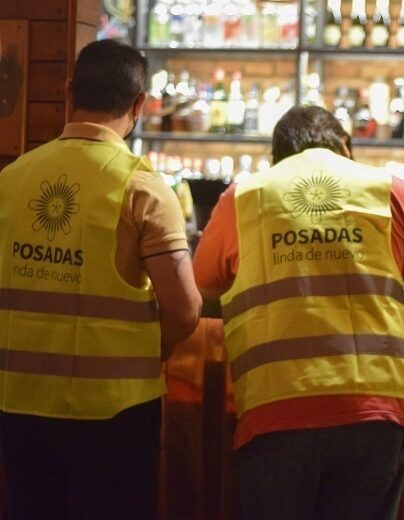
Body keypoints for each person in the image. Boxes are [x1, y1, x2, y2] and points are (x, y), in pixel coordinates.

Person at [193, 105, 404, 520]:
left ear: (276, 157)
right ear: (345, 146)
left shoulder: (245, 196)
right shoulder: (393, 191)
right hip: (374, 410)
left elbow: (202, 286)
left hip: (276, 409)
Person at [0, 40, 202, 520]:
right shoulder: (143, 188)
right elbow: (185, 310)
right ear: (139, 103)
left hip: (19, 402)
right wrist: (154, 347)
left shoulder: (12, 179)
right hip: (115, 411)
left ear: (69, 90)